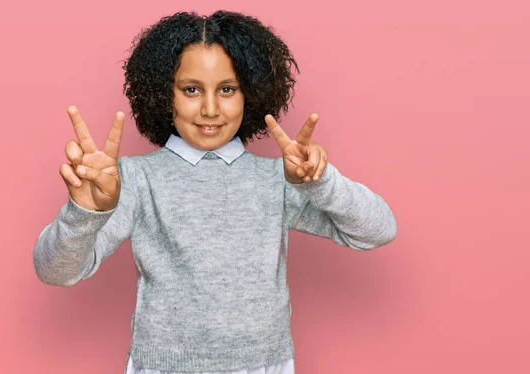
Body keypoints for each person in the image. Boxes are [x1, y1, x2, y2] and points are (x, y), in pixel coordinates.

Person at [33, 10, 397, 374]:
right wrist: (83, 213)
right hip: (163, 367)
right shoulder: (135, 179)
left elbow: (378, 230)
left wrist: (320, 182)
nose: (210, 109)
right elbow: (55, 271)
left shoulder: (278, 180)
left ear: (250, 94)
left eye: (227, 89)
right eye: (191, 89)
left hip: (264, 365)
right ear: (164, 94)